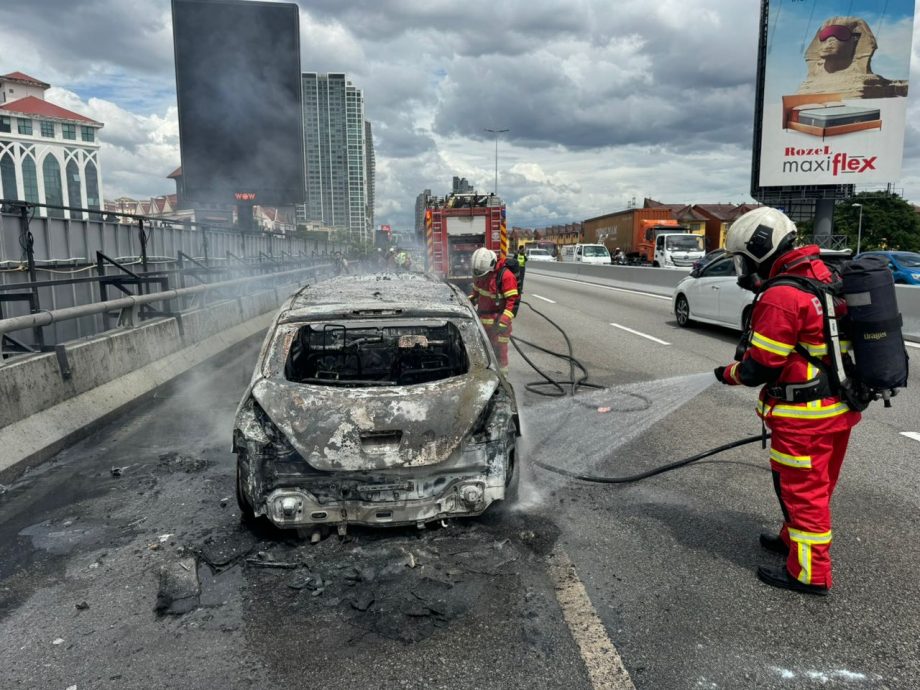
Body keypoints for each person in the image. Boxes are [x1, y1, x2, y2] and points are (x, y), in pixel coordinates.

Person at [714, 207, 861, 596]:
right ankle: (791, 539)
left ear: (760, 249)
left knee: (801, 490)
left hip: (804, 418)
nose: (743, 269)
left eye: (744, 259)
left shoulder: (781, 296)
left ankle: (810, 574)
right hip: (837, 408)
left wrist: (727, 374)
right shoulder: (823, 276)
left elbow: (758, 367)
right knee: (814, 485)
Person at [469, 247, 519, 375]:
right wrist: (468, 301)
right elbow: (476, 294)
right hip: (484, 324)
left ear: (491, 265)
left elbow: (512, 303)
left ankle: (502, 380)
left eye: (482, 273)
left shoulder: (506, 277)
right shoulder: (481, 274)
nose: (481, 276)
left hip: (499, 325)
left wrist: (504, 321)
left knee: (499, 353)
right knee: (483, 352)